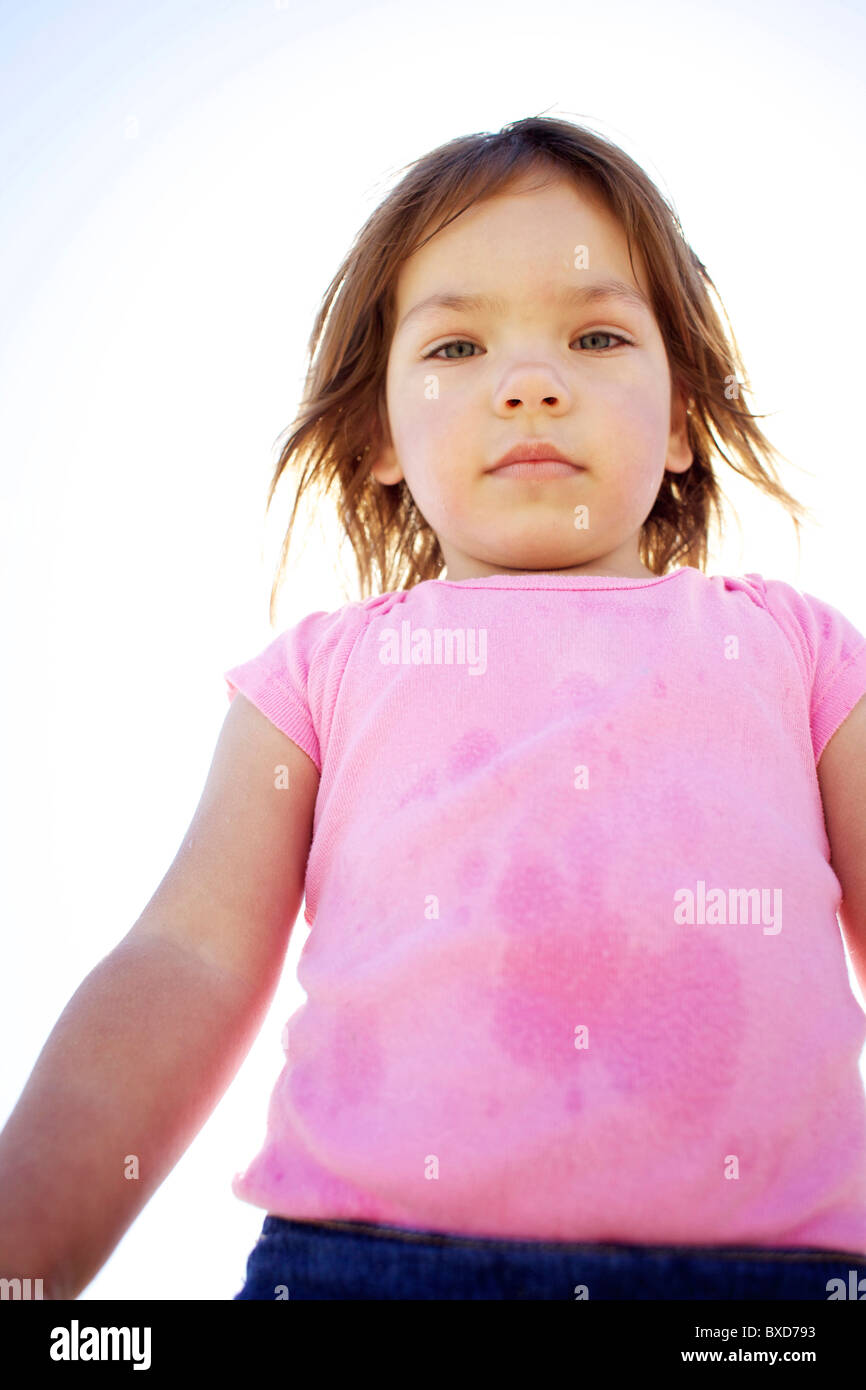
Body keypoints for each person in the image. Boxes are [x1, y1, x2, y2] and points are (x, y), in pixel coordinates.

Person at [2, 116, 866, 1302]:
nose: (527, 382)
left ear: (676, 420)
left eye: (596, 334)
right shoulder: (315, 679)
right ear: (378, 439)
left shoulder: (799, 655)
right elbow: (186, 958)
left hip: (771, 1291)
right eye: (456, 347)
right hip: (364, 1269)